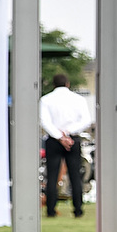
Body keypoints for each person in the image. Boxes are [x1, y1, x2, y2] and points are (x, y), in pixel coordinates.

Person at [39, 72, 91, 218]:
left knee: (52, 175)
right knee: (75, 175)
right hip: (73, 139)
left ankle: (50, 210)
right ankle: (78, 210)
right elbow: (85, 120)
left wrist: (59, 136)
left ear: (54, 85)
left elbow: (45, 121)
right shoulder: (78, 99)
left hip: (53, 140)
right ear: (67, 84)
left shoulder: (46, 99)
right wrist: (68, 133)